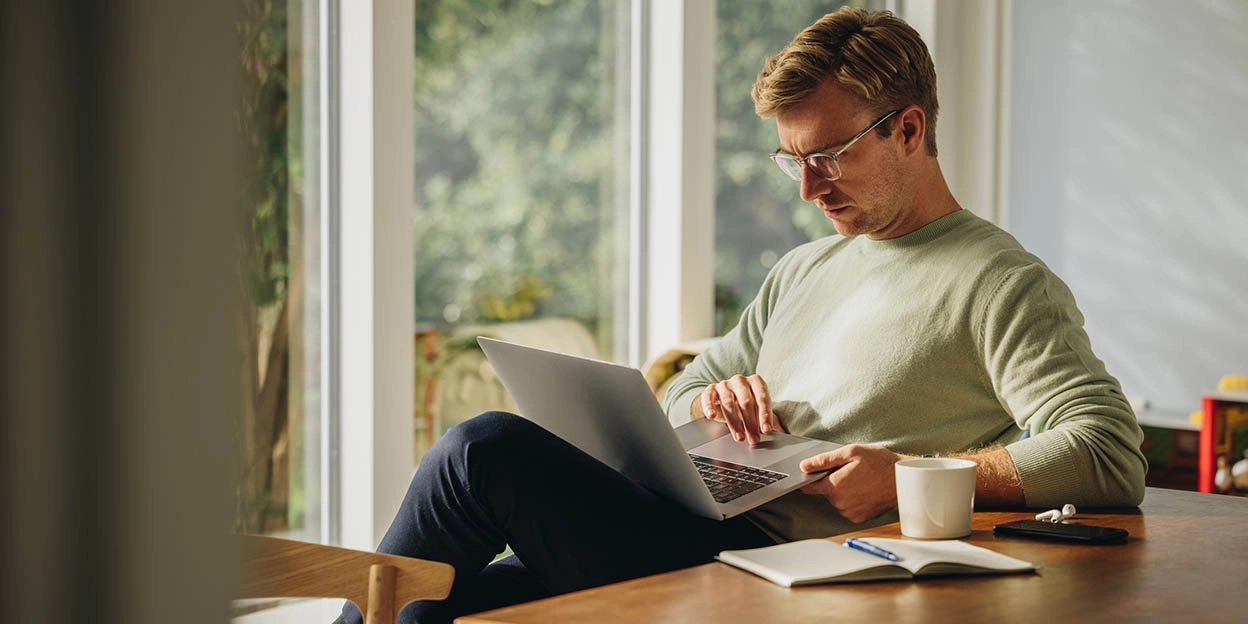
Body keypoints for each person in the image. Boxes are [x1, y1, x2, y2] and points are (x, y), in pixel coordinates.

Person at [338, 7, 1146, 624]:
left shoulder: (999, 282)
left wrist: (908, 478)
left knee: (484, 450)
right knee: (450, 599)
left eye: (828, 156)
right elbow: (692, 387)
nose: (808, 187)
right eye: (791, 160)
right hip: (695, 529)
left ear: (909, 128)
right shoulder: (805, 267)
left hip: (786, 569)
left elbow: (1107, 452)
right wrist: (712, 406)